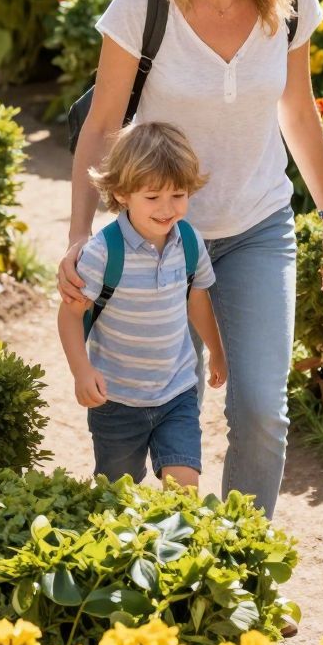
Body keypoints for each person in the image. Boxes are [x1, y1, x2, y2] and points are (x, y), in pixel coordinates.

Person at [62, 0, 323, 520]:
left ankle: (238, 553)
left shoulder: (289, 0)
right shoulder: (144, 4)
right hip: (157, 239)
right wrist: (79, 235)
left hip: (257, 228)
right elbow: (101, 127)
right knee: (163, 406)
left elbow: (299, 110)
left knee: (260, 409)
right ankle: (165, 547)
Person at [59, 120, 225, 490]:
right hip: (115, 400)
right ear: (121, 193)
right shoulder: (103, 252)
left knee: (184, 487)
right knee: (118, 493)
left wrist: (216, 350)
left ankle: (178, 546)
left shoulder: (190, 242)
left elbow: (197, 298)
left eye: (178, 195)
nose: (167, 209)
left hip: (178, 391)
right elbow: (70, 315)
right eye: (153, 198)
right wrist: (81, 371)